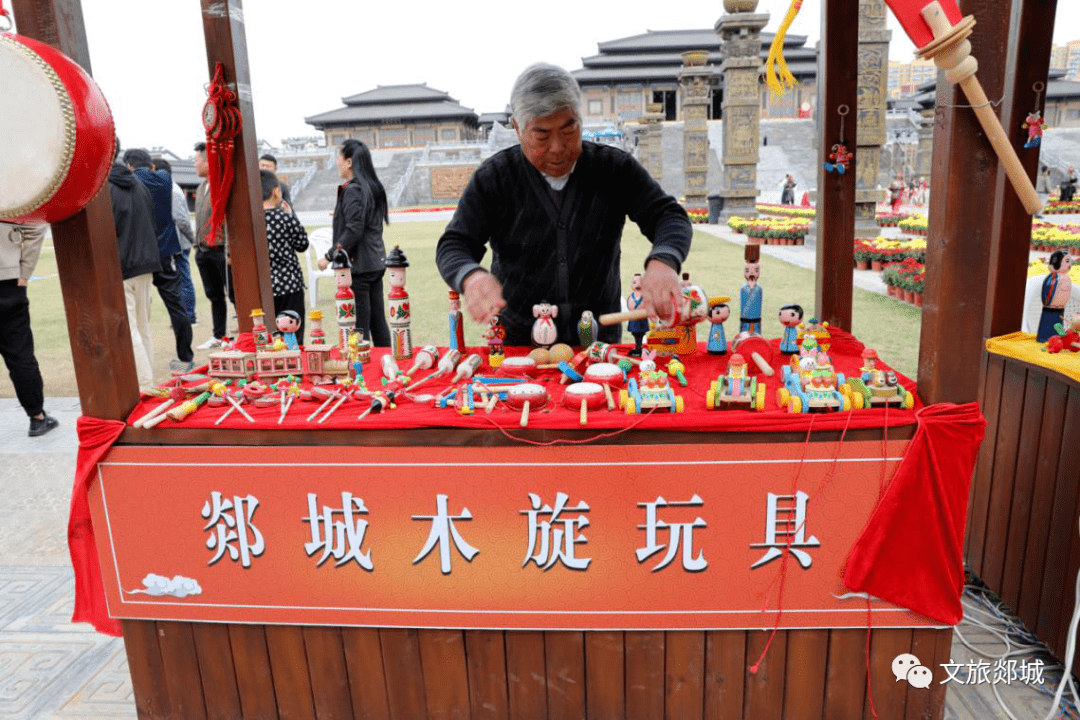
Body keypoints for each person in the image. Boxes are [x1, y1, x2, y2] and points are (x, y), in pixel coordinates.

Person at [436, 62, 691, 346]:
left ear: (580, 120)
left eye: (569, 130)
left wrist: (664, 261)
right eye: (542, 135)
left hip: (598, 343)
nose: (557, 147)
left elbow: (668, 215)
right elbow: (455, 244)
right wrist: (470, 277)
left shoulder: (613, 169)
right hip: (520, 346)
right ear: (519, 129)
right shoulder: (495, 178)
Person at [124, 148, 194, 372]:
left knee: (138, 313)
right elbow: (158, 173)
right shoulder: (164, 179)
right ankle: (185, 356)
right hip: (165, 253)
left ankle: (140, 361)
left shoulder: (129, 182)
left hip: (141, 254)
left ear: (129, 166)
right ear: (151, 166)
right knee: (177, 306)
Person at [317, 139, 391, 346]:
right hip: (375, 261)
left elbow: (354, 230)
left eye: (339, 158)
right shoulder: (372, 187)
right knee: (377, 322)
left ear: (349, 162)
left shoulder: (353, 190)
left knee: (359, 326)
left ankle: (363, 371)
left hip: (359, 265)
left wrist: (329, 255)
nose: (337, 163)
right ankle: (387, 361)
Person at [108, 142, 162, 388]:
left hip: (122, 265)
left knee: (131, 331)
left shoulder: (104, 188)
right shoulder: (140, 185)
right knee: (143, 327)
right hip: (146, 264)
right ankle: (147, 380)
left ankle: (144, 384)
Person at [0, 222, 59, 436]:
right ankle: (37, 417)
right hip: (7, 280)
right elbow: (35, 226)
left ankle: (37, 415)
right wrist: (23, 272)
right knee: (20, 356)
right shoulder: (9, 190)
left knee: (21, 357)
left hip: (8, 278)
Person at [261, 169, 309, 344]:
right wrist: (291, 216)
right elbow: (302, 244)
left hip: (265, 288)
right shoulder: (284, 218)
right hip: (290, 284)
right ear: (276, 191)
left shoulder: (254, 221)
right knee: (293, 333)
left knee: (272, 337)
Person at [193, 141, 231, 350]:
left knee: (233, 294)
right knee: (214, 295)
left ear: (209, 161)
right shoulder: (200, 187)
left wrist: (229, 249)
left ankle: (243, 335)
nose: (195, 164)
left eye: (197, 160)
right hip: (202, 250)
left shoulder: (221, 184)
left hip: (221, 249)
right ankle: (219, 336)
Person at [151, 156, 197, 325]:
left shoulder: (172, 190)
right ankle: (184, 315)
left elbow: (182, 220)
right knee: (179, 279)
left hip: (179, 243)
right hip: (174, 242)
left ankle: (189, 315)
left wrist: (191, 239)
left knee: (183, 279)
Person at [1039, 250, 1073, 343]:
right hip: (1051, 309)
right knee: (1049, 326)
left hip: (1060, 309)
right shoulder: (1054, 277)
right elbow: (1048, 292)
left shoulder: (1064, 277)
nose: (1070, 264)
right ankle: (1045, 340)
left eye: (1070, 261)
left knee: (1058, 326)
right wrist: (1049, 304)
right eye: (1067, 261)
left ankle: (1057, 340)